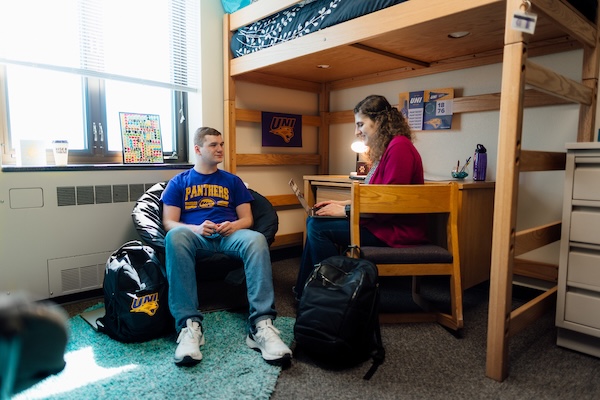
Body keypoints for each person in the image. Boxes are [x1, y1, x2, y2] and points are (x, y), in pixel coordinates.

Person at [161, 127, 292, 367]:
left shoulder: (232, 181)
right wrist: (197, 229)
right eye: (213, 145)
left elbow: (248, 219)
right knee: (175, 237)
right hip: (197, 236)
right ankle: (189, 327)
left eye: (221, 144)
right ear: (198, 149)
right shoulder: (178, 182)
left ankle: (261, 325)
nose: (220, 148)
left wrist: (234, 225)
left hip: (229, 235)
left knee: (256, 239)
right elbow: (169, 222)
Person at [294, 94, 429, 299]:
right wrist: (341, 203)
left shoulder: (399, 147)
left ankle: (332, 294)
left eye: (360, 124)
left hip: (396, 231)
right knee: (316, 220)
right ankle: (305, 291)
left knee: (318, 228)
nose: (357, 131)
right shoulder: (388, 149)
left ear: (379, 122)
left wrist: (345, 211)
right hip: (383, 224)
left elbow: (387, 203)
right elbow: (374, 195)